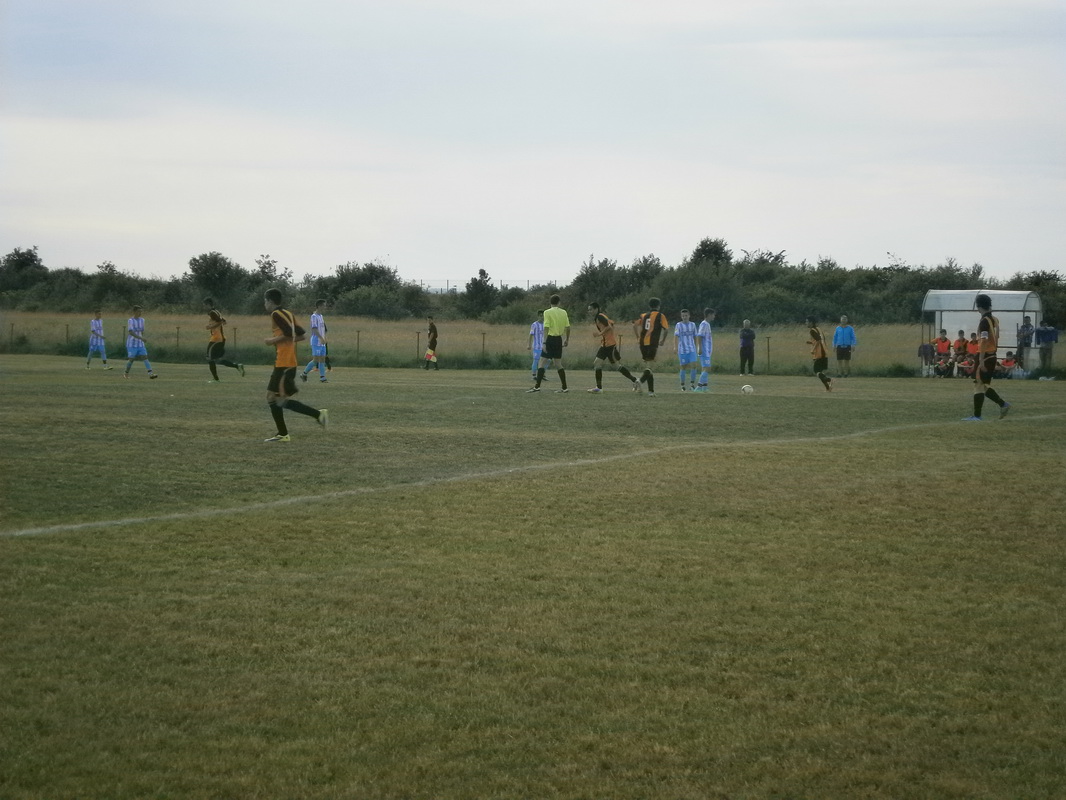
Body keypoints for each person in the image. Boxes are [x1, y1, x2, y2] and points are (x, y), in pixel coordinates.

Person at [262, 288, 328, 442]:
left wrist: (272, 341)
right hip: (285, 361)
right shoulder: (287, 313)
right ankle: (283, 433)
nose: (265, 304)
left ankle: (317, 415)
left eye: (265, 301)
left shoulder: (276, 314)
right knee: (273, 397)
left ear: (270, 301)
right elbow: (301, 335)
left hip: (284, 363)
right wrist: (283, 342)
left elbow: (288, 334)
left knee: (278, 399)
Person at [963, 293, 1010, 421]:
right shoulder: (995, 319)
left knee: (978, 384)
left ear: (979, 307)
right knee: (983, 385)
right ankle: (1002, 405)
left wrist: (981, 360)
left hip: (985, 355)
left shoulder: (984, 321)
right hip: (992, 355)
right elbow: (997, 336)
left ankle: (978, 416)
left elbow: (983, 341)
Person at [585, 302, 638, 393]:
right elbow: (612, 324)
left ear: (596, 309)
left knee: (616, 366)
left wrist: (599, 334)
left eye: (591, 309)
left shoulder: (600, 317)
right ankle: (599, 388)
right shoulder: (600, 316)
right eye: (589, 310)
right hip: (605, 345)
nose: (589, 311)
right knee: (597, 363)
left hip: (609, 345)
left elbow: (609, 326)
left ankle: (635, 380)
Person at [527, 295, 570, 393]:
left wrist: (544, 342)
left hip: (550, 339)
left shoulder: (547, 312)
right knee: (558, 364)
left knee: (541, 362)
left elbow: (546, 328)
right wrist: (567, 339)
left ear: (550, 302)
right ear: (559, 302)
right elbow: (568, 327)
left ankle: (537, 386)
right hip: (559, 339)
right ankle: (564, 387)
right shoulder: (564, 312)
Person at [203, 297, 245, 383]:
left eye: (205, 305)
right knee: (217, 360)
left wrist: (210, 327)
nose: (204, 307)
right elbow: (224, 321)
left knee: (209, 358)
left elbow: (220, 322)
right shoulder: (216, 312)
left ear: (208, 305)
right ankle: (237, 366)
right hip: (219, 339)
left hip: (216, 339)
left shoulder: (212, 313)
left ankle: (216, 379)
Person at [633, 298, 668, 396]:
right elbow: (666, 329)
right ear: (658, 306)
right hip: (652, 343)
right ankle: (640, 381)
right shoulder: (660, 316)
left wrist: (638, 337)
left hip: (642, 344)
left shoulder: (644, 315)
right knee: (650, 367)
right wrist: (663, 340)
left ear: (649, 306)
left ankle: (651, 392)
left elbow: (634, 325)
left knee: (648, 367)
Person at [123, 305, 158, 379]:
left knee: (145, 357)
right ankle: (126, 373)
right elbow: (131, 332)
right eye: (139, 311)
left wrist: (141, 339)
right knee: (131, 359)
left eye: (141, 311)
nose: (140, 313)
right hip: (132, 344)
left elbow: (142, 331)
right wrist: (141, 338)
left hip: (140, 344)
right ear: (134, 312)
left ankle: (151, 374)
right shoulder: (131, 320)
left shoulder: (142, 320)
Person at [300, 299, 330, 382]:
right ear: (319, 306)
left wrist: (324, 337)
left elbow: (322, 329)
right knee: (316, 359)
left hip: (322, 342)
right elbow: (314, 329)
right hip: (316, 341)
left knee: (322, 359)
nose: (325, 307)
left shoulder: (321, 316)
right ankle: (304, 374)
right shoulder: (314, 316)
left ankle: (322, 378)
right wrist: (320, 338)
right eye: (324, 305)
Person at [674, 309, 699, 391]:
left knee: (694, 365)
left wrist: (696, 346)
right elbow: (676, 336)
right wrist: (675, 347)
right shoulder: (678, 325)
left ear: (689, 316)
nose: (684, 317)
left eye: (686, 315)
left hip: (691, 349)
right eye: (683, 316)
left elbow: (695, 336)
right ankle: (682, 385)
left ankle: (692, 384)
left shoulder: (693, 325)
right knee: (683, 367)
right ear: (681, 317)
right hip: (682, 350)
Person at [805, 316, 833, 392]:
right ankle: (828, 388)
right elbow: (821, 339)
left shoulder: (812, 331)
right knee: (819, 372)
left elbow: (818, 340)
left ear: (811, 322)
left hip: (819, 353)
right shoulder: (818, 329)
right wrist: (811, 342)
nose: (806, 323)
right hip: (824, 351)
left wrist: (813, 349)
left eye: (807, 322)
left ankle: (829, 380)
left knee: (816, 371)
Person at [527, 311, 553, 381]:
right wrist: (529, 344)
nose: (542, 317)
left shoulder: (546, 324)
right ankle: (534, 375)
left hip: (545, 346)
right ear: (538, 316)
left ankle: (542, 374)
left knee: (547, 360)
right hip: (537, 346)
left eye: (543, 316)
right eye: (541, 316)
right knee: (536, 360)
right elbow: (530, 335)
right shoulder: (534, 325)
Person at [695, 308, 716, 391]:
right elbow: (699, 336)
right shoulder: (704, 324)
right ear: (709, 315)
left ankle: (704, 387)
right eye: (713, 315)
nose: (714, 316)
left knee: (705, 368)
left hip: (707, 351)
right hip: (704, 350)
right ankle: (699, 386)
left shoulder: (707, 324)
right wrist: (700, 348)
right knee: (707, 368)